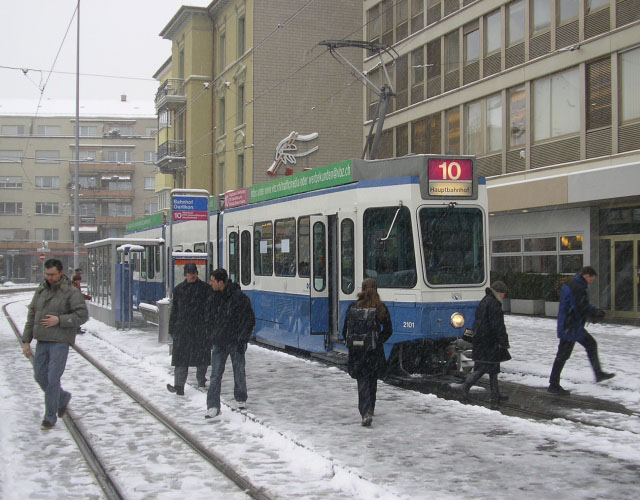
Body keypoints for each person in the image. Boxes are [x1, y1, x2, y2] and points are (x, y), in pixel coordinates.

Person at [21, 259, 89, 429]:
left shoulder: (71, 292)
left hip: (60, 340)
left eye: (52, 274)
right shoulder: (41, 290)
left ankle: (50, 417)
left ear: (60, 273)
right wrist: (26, 341)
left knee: (53, 379)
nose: (49, 277)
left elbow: (82, 315)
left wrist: (59, 320)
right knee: (39, 376)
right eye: (47, 274)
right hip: (42, 339)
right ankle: (62, 398)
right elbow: (32, 316)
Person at [548, 266, 614, 395]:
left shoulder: (575, 284)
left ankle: (598, 373)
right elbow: (580, 306)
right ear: (586, 275)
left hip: (573, 326)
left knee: (590, 345)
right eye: (591, 279)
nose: (591, 281)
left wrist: (593, 311)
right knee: (563, 355)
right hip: (570, 327)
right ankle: (553, 384)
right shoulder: (577, 287)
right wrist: (595, 313)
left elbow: (581, 305)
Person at [341, 278, 392, 427]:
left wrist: (355, 343)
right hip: (374, 351)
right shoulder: (380, 308)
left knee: (362, 380)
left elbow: (346, 331)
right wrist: (377, 341)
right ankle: (371, 408)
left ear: (362, 289)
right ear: (376, 289)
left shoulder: (353, 307)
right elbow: (389, 330)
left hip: (358, 351)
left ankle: (365, 412)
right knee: (372, 379)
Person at [451, 281, 511, 407]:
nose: (504, 296)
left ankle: (495, 394)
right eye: (503, 293)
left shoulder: (485, 300)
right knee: (484, 368)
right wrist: (503, 341)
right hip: (489, 341)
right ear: (498, 292)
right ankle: (465, 387)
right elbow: (498, 326)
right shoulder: (494, 304)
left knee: (493, 368)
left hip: (483, 339)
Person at [205, 268, 255, 419]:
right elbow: (207, 318)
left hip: (235, 341)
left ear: (221, 282)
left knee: (238, 370)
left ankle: (241, 398)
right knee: (215, 374)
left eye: (213, 281)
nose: (210, 284)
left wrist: (242, 338)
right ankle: (213, 405)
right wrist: (211, 334)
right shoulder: (212, 298)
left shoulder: (239, 298)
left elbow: (249, 319)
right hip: (219, 342)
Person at [167, 262, 212, 396]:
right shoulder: (179, 289)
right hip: (183, 330)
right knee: (181, 360)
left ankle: (201, 380)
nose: (192, 275)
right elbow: (174, 311)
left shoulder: (205, 288)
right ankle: (179, 386)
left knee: (201, 359)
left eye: (194, 273)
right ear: (185, 274)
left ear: (197, 273)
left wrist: (208, 326)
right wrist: (172, 328)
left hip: (200, 329)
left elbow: (209, 309)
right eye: (190, 273)